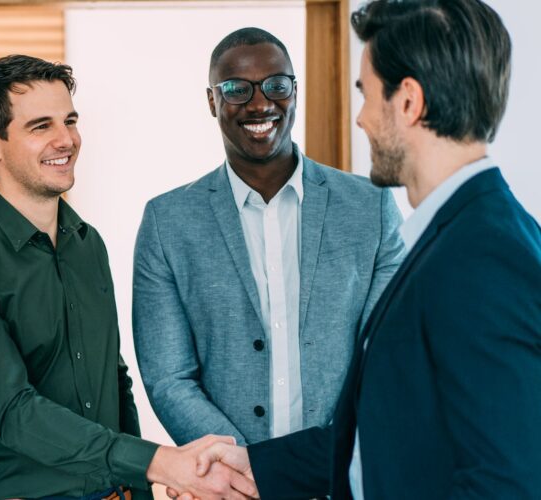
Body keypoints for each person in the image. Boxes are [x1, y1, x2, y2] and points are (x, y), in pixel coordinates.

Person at [190, 1, 541, 498]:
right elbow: (392, 433)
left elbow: (507, 481)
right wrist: (254, 464)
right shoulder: (455, 237)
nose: (360, 119)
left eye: (367, 95)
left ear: (408, 103)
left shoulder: (482, 259)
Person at [0, 54, 255, 500]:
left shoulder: (86, 243)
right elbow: (15, 413)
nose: (66, 140)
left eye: (70, 121)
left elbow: (115, 381)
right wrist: (160, 463)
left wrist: (141, 484)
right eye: (41, 126)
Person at [133, 28, 404, 449]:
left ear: (294, 91)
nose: (260, 103)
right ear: (212, 101)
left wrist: (323, 464)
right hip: (231, 484)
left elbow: (386, 356)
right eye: (237, 89)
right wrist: (251, 472)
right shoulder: (167, 222)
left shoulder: (372, 208)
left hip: (345, 474)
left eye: (277, 85)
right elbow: (169, 378)